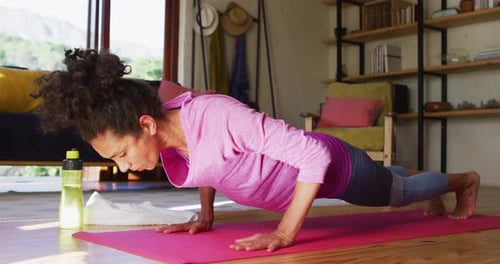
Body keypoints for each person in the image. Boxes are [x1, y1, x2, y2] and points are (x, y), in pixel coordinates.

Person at [32, 49, 480, 252]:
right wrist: (206, 215)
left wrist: (284, 233)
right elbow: (207, 161)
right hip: (306, 181)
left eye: (121, 153)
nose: (123, 165)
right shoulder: (170, 128)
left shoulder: (220, 116)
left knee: (397, 194)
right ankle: (411, 178)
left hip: (335, 168)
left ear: (145, 125)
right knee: (395, 180)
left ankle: (461, 180)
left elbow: (314, 158)